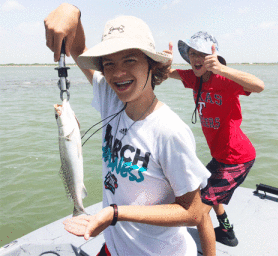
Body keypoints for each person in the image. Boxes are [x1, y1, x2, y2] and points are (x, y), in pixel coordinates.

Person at [45, 4, 216, 256]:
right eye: (109, 63)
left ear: (152, 65)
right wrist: (73, 12)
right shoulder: (112, 99)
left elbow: (193, 212)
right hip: (116, 246)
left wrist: (115, 214)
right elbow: (79, 48)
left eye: (130, 59)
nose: (118, 72)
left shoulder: (168, 132)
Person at [165, 31, 265, 247]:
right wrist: (162, 64)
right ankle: (227, 230)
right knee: (207, 189)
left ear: (213, 57)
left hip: (237, 159)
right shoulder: (194, 78)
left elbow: (259, 85)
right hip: (220, 156)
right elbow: (167, 74)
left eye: (201, 53)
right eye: (191, 53)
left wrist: (222, 69)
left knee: (198, 211)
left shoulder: (224, 79)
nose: (195, 58)